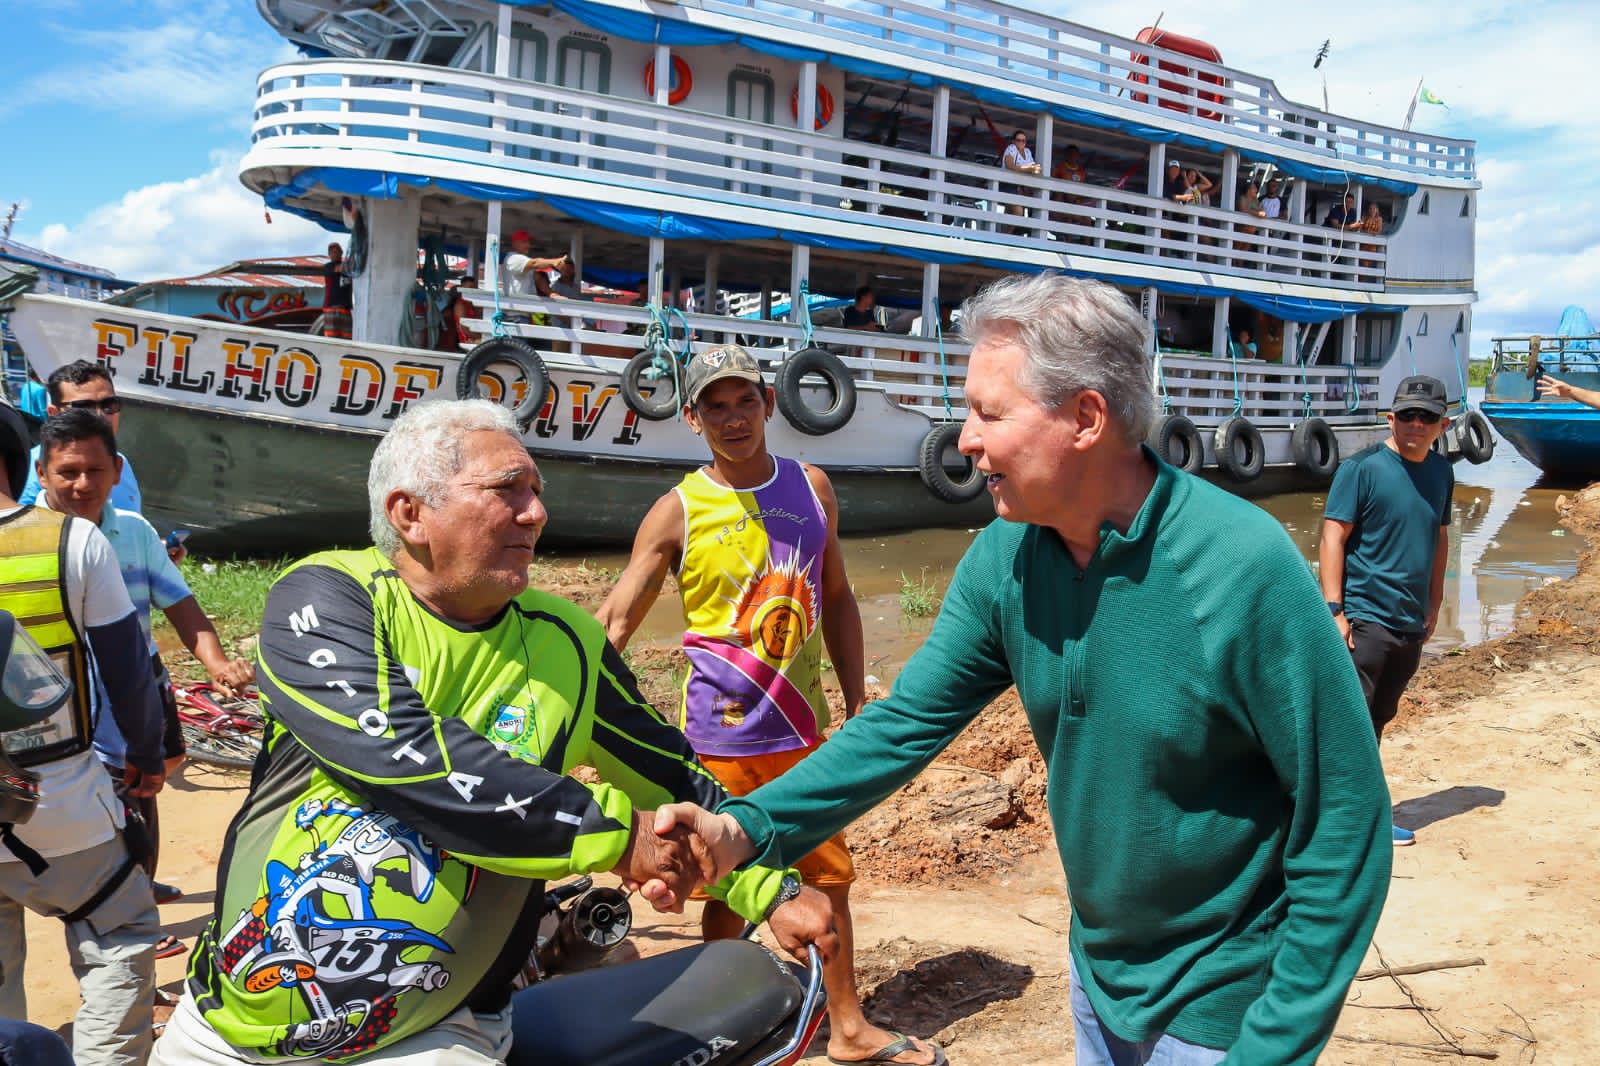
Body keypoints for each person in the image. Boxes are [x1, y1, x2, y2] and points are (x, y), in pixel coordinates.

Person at [654, 272, 1393, 1066]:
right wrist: (744, 829)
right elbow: (903, 725)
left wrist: (1273, 1046)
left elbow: (1346, 817)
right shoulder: (1007, 557)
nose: (965, 441)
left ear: (1086, 418)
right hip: (1098, 980)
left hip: (1224, 1005)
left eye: (989, 413)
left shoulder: (1242, 567)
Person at [151, 399, 836, 1065]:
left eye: (536, 491)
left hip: (434, 1035)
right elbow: (403, 754)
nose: (536, 513)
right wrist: (619, 837)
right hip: (222, 1028)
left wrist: (769, 887)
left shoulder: (570, 643)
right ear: (410, 513)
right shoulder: (329, 596)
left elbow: (675, 779)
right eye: (508, 490)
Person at [596, 346, 942, 1066]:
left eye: (745, 401)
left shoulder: (812, 488)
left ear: (769, 405)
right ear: (692, 419)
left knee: (827, 880)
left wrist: (857, 697)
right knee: (727, 890)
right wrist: (584, 723)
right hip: (716, 743)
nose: (733, 419)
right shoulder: (677, 510)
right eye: (715, 407)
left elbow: (838, 596)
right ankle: (720, 1023)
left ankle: (847, 1029)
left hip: (802, 733)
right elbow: (615, 625)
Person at [35, 409, 256, 943]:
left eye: (95, 470)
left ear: (117, 470)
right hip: (58, 718)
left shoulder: (133, 533)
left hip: (131, 705)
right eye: (68, 472)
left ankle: (138, 916)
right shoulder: (29, 538)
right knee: (80, 828)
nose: (82, 484)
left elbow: (180, 603)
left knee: (140, 808)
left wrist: (217, 663)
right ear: (42, 472)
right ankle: (118, 922)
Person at [0, 400, 169, 1066]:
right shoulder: (72, 540)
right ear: (22, 463)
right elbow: (129, 671)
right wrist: (146, 756)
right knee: (119, 931)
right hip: (59, 805)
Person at [1320, 375, 1454, 848]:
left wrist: (1435, 601)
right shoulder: (1361, 469)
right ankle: (1347, 821)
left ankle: (1356, 815)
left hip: (1410, 619)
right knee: (1350, 722)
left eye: (1427, 417)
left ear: (1443, 425)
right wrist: (1335, 610)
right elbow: (1333, 536)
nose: (1417, 424)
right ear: (1391, 418)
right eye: (1408, 415)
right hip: (1365, 616)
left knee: (1378, 719)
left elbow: (1439, 538)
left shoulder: (1441, 473)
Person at [18, 360, 141, 513]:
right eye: (84, 407)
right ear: (53, 413)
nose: (100, 415)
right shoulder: (24, 472)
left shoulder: (122, 464)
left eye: (109, 405)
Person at [1000, 130, 1040, 228]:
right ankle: (1008, 234)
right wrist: (1028, 169)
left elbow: (1033, 168)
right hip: (1008, 184)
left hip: (1021, 186)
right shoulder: (1011, 148)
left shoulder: (1027, 151)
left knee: (1010, 212)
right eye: (1018, 140)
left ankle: (1004, 234)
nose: (1021, 142)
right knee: (1018, 211)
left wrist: (1034, 169)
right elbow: (1010, 165)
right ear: (1013, 141)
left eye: (1023, 140)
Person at [321, 241, 353, 340]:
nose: (334, 254)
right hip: (331, 308)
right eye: (332, 252)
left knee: (347, 339)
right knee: (331, 339)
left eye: (337, 252)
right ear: (329, 255)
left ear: (341, 253)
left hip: (345, 309)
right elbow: (338, 269)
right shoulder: (328, 267)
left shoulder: (348, 268)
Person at [1358, 201, 1386, 268]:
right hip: (1363, 243)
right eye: (1370, 208)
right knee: (1363, 263)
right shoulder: (1364, 217)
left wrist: (1374, 233)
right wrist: (1367, 232)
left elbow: (1379, 231)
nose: (1372, 210)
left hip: (1372, 244)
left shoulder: (1379, 219)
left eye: (1374, 208)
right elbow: (1359, 228)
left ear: (1377, 210)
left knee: (1369, 264)